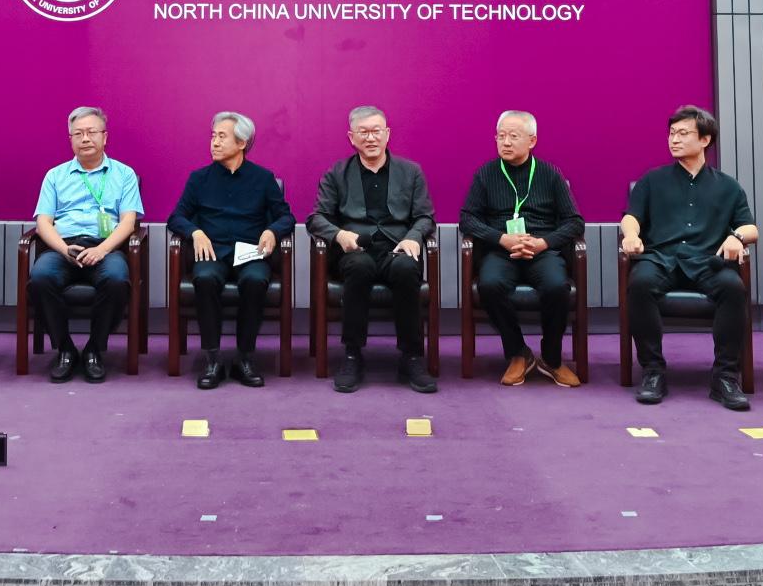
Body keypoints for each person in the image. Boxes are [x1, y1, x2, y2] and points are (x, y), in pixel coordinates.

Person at [619, 106, 758, 411]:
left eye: (683, 134)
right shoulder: (652, 180)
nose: (674, 140)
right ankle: (653, 371)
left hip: (707, 261)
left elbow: (750, 228)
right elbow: (631, 217)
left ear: (705, 140)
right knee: (640, 283)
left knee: (733, 288)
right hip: (661, 258)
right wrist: (631, 235)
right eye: (671, 133)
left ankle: (725, 377)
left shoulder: (728, 186)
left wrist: (737, 237)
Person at [311, 105, 437, 394]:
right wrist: (339, 234)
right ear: (351, 137)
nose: (370, 138)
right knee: (359, 267)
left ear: (387, 134)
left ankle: (412, 356)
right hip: (356, 249)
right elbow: (316, 218)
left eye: (376, 131)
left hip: (397, 247)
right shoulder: (336, 173)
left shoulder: (411, 171)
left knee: (406, 268)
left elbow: (425, 217)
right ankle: (352, 355)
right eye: (363, 132)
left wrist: (414, 237)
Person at [168, 111, 294, 389]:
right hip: (213, 251)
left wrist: (272, 231)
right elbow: (176, 218)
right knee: (204, 278)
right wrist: (195, 232)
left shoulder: (263, 178)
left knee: (255, 280)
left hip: (250, 251)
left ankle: (244, 358)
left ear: (241, 143)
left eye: (221, 137)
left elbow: (286, 217)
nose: (214, 142)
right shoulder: (199, 178)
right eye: (213, 136)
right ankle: (212, 359)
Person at [460, 109, 583, 385]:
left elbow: (575, 222)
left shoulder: (550, 173)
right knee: (489, 285)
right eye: (500, 136)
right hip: (501, 250)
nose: (505, 142)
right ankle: (518, 352)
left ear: (532, 140)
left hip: (541, 250)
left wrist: (542, 243)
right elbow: (467, 219)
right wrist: (501, 238)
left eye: (513, 136)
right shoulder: (486, 174)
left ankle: (551, 358)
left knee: (556, 287)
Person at [30, 106, 142, 382]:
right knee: (40, 277)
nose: (85, 138)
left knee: (116, 279)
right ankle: (65, 349)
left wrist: (102, 250)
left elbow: (128, 222)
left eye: (91, 132)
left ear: (105, 136)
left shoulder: (124, 174)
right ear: (70, 139)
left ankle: (94, 348)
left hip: (105, 246)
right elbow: (43, 222)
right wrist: (63, 249)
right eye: (78, 134)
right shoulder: (55, 176)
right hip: (64, 246)